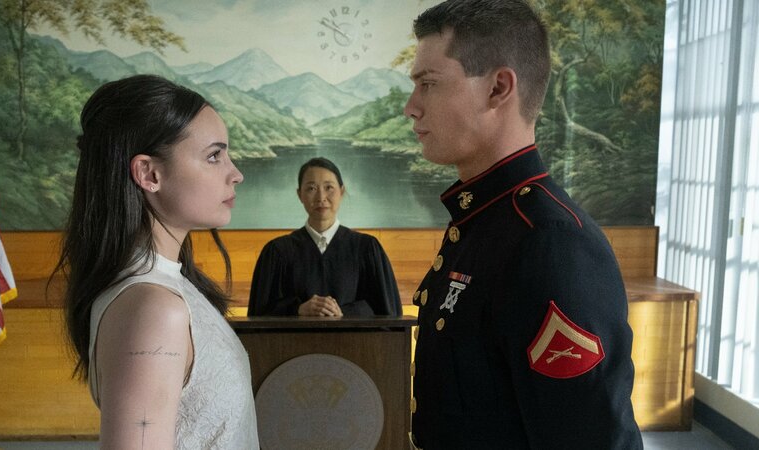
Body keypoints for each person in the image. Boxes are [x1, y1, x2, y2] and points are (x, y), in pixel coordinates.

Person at [403, 1, 643, 448]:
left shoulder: (549, 243)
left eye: (428, 84)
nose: (410, 107)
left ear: (498, 88)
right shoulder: (482, 221)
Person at [55, 74, 259, 449]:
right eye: (214, 156)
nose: (236, 174)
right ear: (149, 174)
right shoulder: (154, 308)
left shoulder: (166, 289)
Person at [248, 157, 402, 317]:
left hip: (353, 335)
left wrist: (343, 314)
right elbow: (259, 315)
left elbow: (388, 313)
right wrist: (298, 309)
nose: (321, 197)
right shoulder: (277, 251)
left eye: (329, 187)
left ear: (341, 191)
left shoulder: (366, 248)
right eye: (311, 188)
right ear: (299, 195)